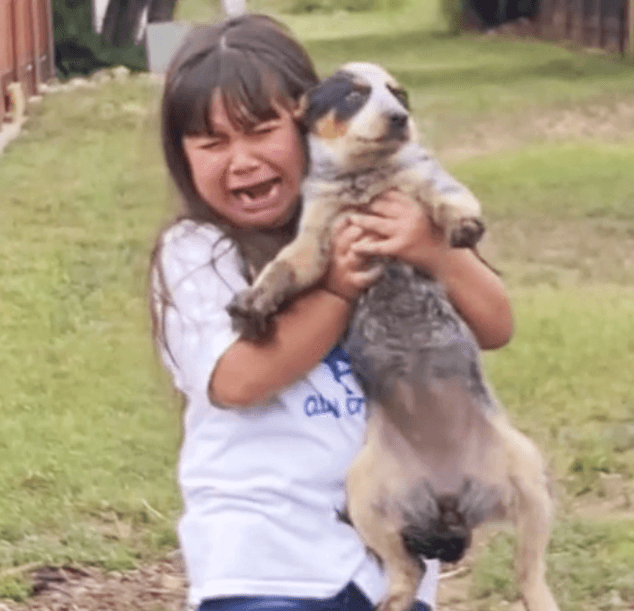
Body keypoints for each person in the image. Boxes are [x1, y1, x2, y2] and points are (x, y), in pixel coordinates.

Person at [149, 13, 514, 611]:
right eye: (213, 143)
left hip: (386, 560)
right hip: (263, 562)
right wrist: (337, 291)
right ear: (182, 156)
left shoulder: (380, 213)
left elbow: (496, 325)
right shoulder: (196, 251)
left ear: (311, 120)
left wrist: (434, 250)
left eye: (261, 131)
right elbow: (237, 381)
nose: (242, 160)